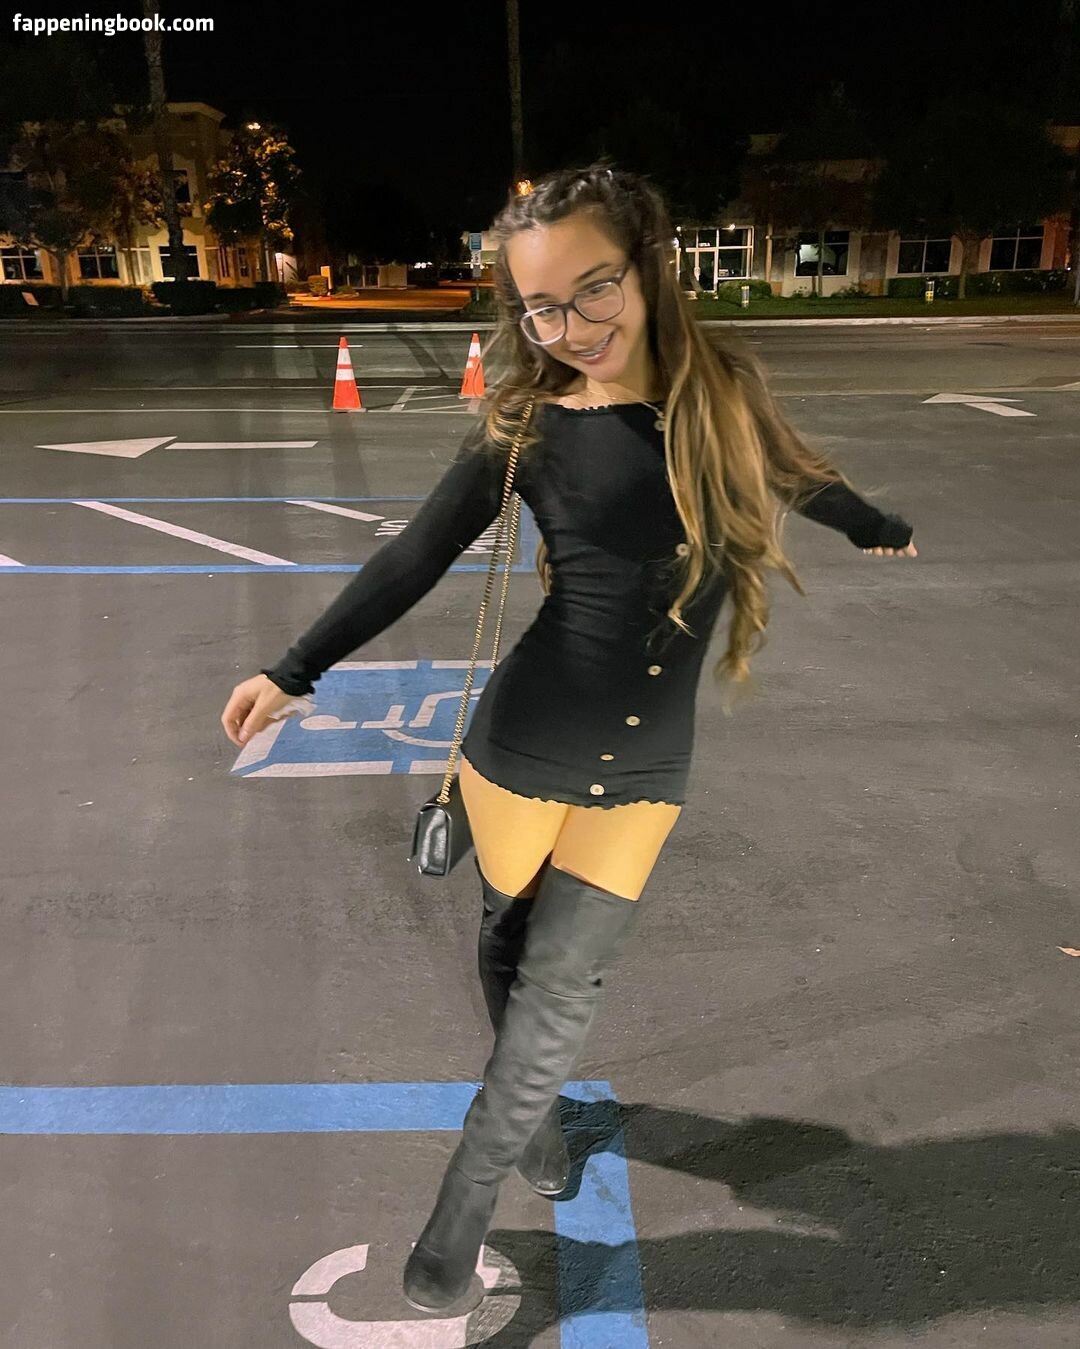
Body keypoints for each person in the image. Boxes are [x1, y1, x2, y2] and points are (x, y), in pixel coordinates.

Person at [220, 163, 917, 1315]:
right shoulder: (528, 427)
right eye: (540, 308)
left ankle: (454, 1226)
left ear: (649, 266)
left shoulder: (723, 398)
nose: (571, 327)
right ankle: (532, 1118)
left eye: (593, 290)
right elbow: (416, 555)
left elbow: (799, 477)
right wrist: (292, 669)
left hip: (646, 768)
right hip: (524, 741)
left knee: (560, 991)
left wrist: (875, 523)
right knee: (509, 935)